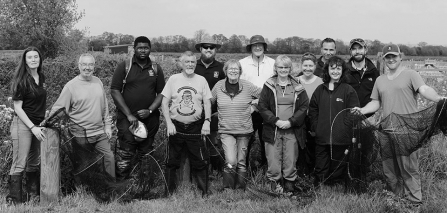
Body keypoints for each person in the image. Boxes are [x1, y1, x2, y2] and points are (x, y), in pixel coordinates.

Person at [353, 44, 444, 204]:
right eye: (388, 57)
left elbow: (423, 89)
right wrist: (361, 110)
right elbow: (375, 103)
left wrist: (439, 99)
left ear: (400, 57)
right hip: (386, 132)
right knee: (389, 171)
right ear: (384, 59)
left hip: (407, 132)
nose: (391, 59)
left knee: (408, 169)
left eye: (394, 56)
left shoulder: (411, 74)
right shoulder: (380, 80)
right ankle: (395, 199)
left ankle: (414, 202)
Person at [50, 53, 114, 178]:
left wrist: (107, 125)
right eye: (84, 64)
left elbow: (104, 105)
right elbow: (58, 108)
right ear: (79, 66)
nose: (87, 68)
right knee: (84, 166)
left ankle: (111, 189)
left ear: (94, 66)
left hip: (100, 133)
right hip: (80, 136)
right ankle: (83, 193)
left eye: (90, 64)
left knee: (109, 158)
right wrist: (46, 124)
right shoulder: (70, 86)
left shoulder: (98, 82)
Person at [110, 36, 165, 181]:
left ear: (150, 49)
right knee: (125, 151)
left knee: (146, 151)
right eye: (140, 47)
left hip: (150, 118)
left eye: (146, 48)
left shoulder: (156, 68)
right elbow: (115, 90)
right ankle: (122, 185)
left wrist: (150, 110)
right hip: (128, 118)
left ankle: (145, 184)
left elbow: (162, 93)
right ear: (134, 49)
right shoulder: (124, 66)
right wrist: (129, 115)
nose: (143, 50)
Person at [162, 51, 212, 197]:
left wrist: (207, 121)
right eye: (187, 62)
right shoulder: (173, 79)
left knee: (201, 160)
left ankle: (203, 193)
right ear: (181, 64)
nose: (190, 65)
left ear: (196, 64)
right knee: (171, 161)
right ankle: (169, 193)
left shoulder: (201, 80)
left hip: (196, 126)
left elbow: (207, 103)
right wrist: (169, 123)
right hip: (175, 126)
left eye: (192, 62)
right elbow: (164, 103)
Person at [258, 55, 309, 193]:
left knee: (290, 157)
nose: (283, 70)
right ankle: (274, 183)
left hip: (292, 128)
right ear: (276, 68)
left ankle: (289, 184)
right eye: (280, 67)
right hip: (273, 128)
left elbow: (304, 106)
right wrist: (276, 121)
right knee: (273, 158)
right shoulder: (269, 84)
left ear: (290, 68)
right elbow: (262, 106)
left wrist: (291, 122)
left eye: (286, 67)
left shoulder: (297, 85)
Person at [309, 56, 359, 186]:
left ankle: (336, 187)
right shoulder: (320, 89)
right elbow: (313, 110)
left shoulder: (348, 90)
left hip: (341, 138)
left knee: (339, 165)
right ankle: (320, 187)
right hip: (322, 137)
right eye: (332, 68)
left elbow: (353, 112)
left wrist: (344, 128)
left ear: (343, 71)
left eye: (338, 68)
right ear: (327, 70)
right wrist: (316, 127)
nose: (335, 71)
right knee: (321, 165)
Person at [210, 59, 260, 190]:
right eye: (230, 69)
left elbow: (265, 95)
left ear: (240, 72)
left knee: (241, 162)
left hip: (244, 130)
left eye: (236, 69)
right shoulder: (219, 86)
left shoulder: (247, 86)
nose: (233, 71)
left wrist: (254, 107)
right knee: (231, 161)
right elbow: (209, 101)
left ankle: (240, 188)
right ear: (225, 71)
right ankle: (228, 189)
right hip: (226, 130)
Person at [7, 47, 47, 205]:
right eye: (29, 57)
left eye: (36, 57)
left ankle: (33, 198)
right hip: (23, 126)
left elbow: (38, 102)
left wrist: (42, 121)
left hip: (37, 125)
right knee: (19, 162)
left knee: (33, 162)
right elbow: (18, 108)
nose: (33, 59)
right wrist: (32, 127)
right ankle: (14, 201)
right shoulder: (21, 80)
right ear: (25, 60)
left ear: (39, 59)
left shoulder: (41, 77)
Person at [239, 35, 275, 169]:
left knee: (267, 140)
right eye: (255, 45)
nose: (258, 47)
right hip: (249, 108)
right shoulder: (242, 63)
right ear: (251, 48)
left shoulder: (272, 63)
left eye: (260, 45)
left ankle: (267, 170)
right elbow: (240, 85)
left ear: (264, 47)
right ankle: (244, 169)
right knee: (246, 140)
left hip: (268, 108)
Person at [194, 37, 226, 175]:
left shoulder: (221, 68)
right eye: (205, 47)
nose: (208, 49)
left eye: (211, 47)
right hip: (194, 111)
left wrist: (220, 111)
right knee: (196, 141)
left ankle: (215, 171)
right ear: (200, 49)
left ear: (215, 50)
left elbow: (225, 90)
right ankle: (199, 171)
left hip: (214, 112)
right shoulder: (193, 66)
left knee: (214, 142)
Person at [296, 52, 324, 176]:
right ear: (301, 66)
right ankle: (301, 172)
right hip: (298, 119)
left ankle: (313, 173)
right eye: (305, 65)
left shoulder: (321, 82)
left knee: (313, 146)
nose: (308, 69)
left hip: (314, 119)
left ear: (315, 66)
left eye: (310, 66)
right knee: (299, 146)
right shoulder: (295, 81)